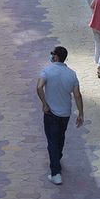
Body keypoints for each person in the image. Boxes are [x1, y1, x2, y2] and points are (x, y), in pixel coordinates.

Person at [36, 46, 84, 185]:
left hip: (51, 112)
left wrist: (44, 103)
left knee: (52, 141)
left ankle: (55, 173)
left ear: (56, 57)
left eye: (52, 54)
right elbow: (77, 95)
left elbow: (39, 87)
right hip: (65, 113)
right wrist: (81, 113)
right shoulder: (72, 74)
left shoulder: (47, 71)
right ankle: (57, 157)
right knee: (60, 136)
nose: (51, 56)